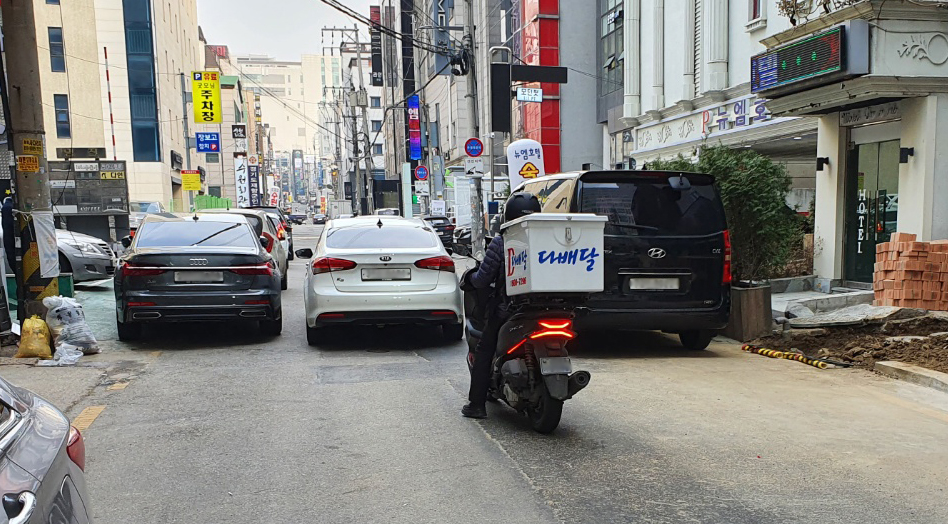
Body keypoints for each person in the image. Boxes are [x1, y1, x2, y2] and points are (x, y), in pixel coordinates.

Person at [462, 192, 542, 419]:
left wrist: (470, 279)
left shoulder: (501, 242)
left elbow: (482, 280)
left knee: (485, 349)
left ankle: (476, 405)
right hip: (549, 307)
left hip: (510, 311)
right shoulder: (547, 239)